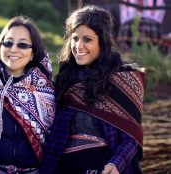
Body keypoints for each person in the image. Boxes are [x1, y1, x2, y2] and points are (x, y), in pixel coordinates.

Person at [42, 5, 145, 174]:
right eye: (75, 38)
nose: (79, 46)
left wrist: (117, 163)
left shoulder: (124, 80)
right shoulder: (65, 79)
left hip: (106, 165)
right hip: (65, 166)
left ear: (102, 42)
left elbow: (131, 137)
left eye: (87, 39)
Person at [0, 16, 55, 174]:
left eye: (22, 44)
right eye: (7, 43)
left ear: (33, 52)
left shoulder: (46, 91)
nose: (13, 49)